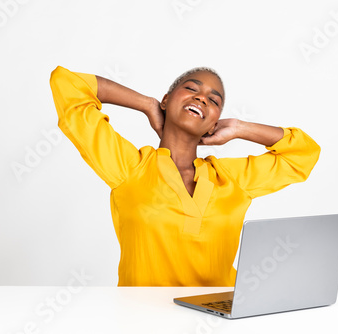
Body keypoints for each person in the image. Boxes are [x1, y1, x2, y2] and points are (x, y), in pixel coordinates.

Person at [49, 65, 321, 287]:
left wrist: (239, 127)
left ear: (214, 123)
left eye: (214, 100)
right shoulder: (129, 167)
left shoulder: (230, 178)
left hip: (220, 320)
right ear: (167, 100)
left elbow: (303, 154)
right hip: (141, 321)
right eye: (191, 88)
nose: (202, 97)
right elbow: (69, 85)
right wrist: (147, 104)